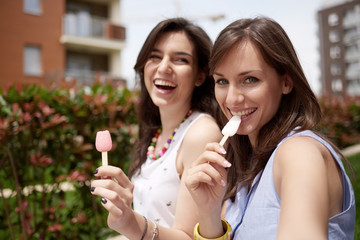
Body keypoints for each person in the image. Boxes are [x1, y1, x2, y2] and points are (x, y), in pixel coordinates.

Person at [185, 17, 355, 240]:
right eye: (222, 81)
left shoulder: (298, 153)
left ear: (286, 82)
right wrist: (208, 212)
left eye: (250, 79)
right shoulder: (247, 169)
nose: (232, 99)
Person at [90, 17, 222, 239]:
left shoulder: (201, 133)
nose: (163, 67)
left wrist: (130, 223)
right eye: (155, 57)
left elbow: (191, 237)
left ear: (200, 75)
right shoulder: (155, 134)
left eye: (180, 60)